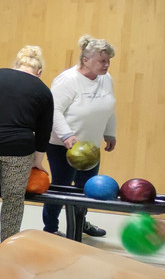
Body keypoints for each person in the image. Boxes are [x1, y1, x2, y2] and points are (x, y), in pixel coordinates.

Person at [0, 46, 54, 258]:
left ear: (15, 65)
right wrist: (38, 161)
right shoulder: (43, 90)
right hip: (19, 148)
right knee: (13, 199)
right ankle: (6, 249)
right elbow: (44, 131)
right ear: (39, 71)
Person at [42, 34, 117, 238]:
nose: (107, 64)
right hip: (62, 145)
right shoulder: (68, 80)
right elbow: (54, 110)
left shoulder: (106, 79)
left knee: (87, 189)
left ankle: (80, 223)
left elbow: (109, 106)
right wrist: (66, 135)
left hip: (91, 146)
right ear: (86, 60)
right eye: (102, 60)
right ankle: (50, 228)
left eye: (108, 60)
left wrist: (110, 132)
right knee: (62, 187)